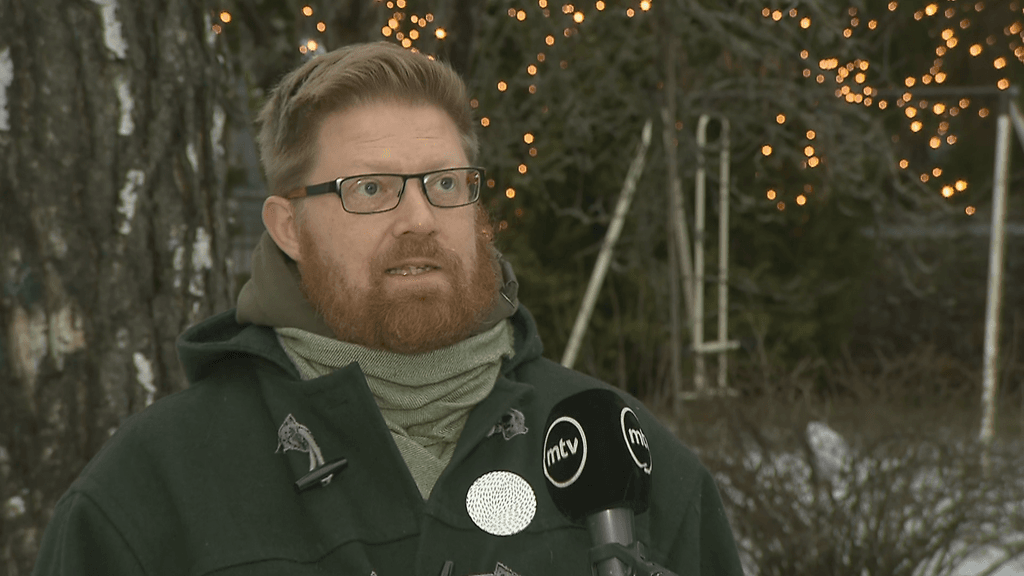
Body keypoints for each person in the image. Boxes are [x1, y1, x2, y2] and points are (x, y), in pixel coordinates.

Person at [32, 42, 744, 576]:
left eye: (445, 184)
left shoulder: (618, 454)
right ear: (288, 227)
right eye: (370, 189)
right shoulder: (157, 486)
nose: (419, 219)